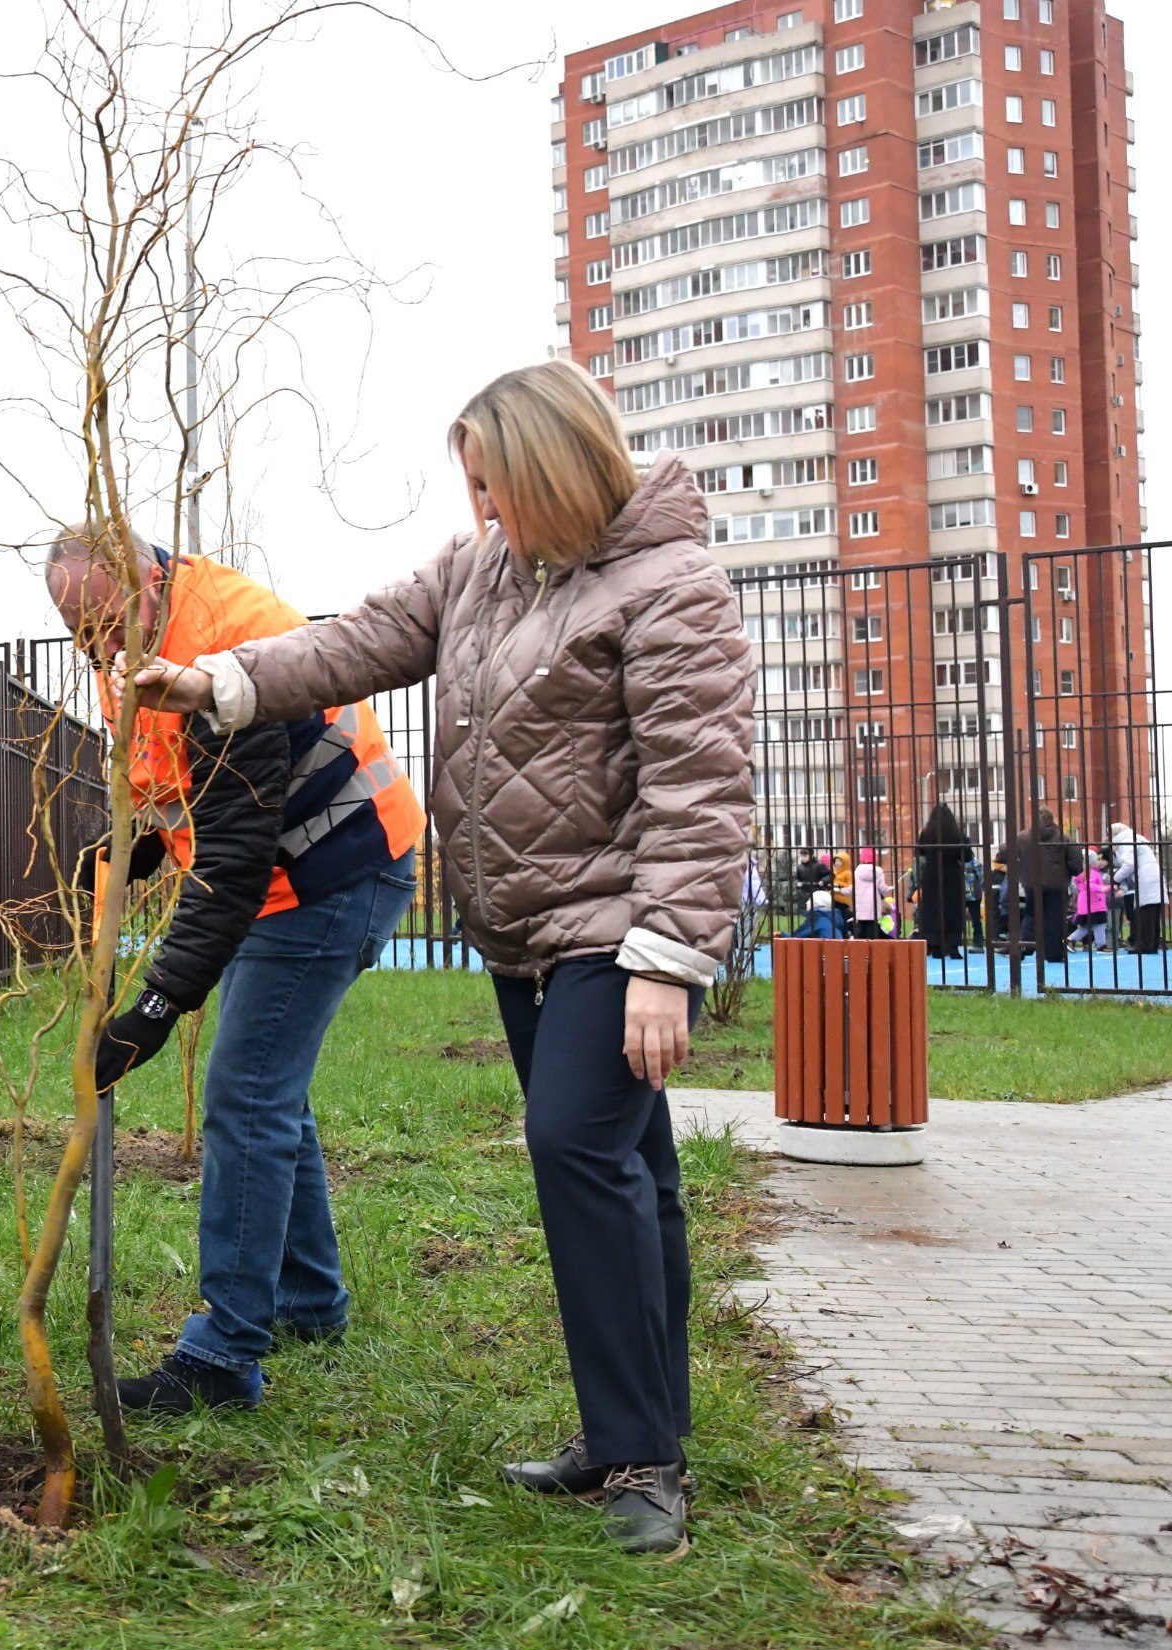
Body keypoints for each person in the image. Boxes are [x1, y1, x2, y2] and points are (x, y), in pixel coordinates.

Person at [129, 361, 753, 1554]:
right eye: (471, 489)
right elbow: (356, 643)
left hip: (612, 934)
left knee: (577, 1143)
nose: (481, 510)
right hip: (523, 933)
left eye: (494, 486)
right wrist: (218, 680)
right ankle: (634, 1425)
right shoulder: (482, 573)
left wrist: (670, 958)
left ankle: (641, 1459)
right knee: (634, 1173)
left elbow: (700, 788)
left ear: (552, 469)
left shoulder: (669, 588)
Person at [48, 526, 425, 1413]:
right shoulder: (138, 643)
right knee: (269, 1091)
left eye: (104, 623)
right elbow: (177, 785)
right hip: (285, 872)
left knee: (247, 1092)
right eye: (79, 635)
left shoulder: (219, 647)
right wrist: (130, 846)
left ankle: (222, 1357)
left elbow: (233, 862)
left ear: (149, 581)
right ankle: (308, 1299)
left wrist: (156, 1001)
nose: (97, 648)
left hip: (335, 867)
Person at [1006, 810, 1081, 965]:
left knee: (1031, 914)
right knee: (1054, 918)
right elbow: (1076, 865)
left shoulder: (1022, 837)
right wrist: (1067, 871)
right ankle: (1053, 953)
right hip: (1057, 884)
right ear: (1051, 819)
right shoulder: (1064, 839)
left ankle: (1026, 944)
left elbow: (1006, 855)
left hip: (1031, 883)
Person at [915, 805, 970, 961]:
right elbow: (967, 857)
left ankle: (935, 944)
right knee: (952, 908)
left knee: (932, 908)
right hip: (952, 874)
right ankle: (953, 945)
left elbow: (920, 852)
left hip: (932, 874)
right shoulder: (957, 834)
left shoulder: (926, 833)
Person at [1111, 822, 1165, 954]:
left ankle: (1145, 945)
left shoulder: (1126, 842)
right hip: (1153, 877)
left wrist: (1115, 879)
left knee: (1145, 912)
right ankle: (1152, 944)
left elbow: (1129, 865)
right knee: (1153, 913)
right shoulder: (1136, 839)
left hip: (1145, 879)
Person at [850, 847, 885, 940]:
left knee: (861, 928)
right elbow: (882, 888)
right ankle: (872, 950)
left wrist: (841, 890)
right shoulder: (878, 871)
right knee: (872, 929)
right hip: (873, 906)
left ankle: (860, 949)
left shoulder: (857, 871)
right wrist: (888, 888)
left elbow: (853, 887)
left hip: (861, 905)